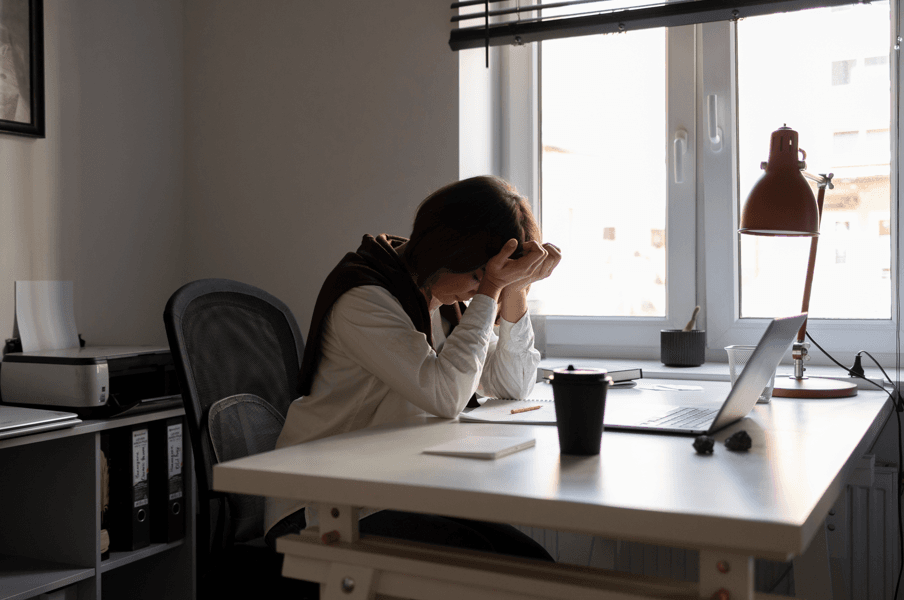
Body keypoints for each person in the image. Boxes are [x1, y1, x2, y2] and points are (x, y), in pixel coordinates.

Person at [265, 176, 562, 560]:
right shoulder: (366, 298)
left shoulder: (443, 299)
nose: (480, 289)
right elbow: (446, 396)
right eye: (478, 274)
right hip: (319, 505)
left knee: (532, 563)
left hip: (388, 489)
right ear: (448, 250)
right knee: (504, 572)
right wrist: (490, 290)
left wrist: (515, 289)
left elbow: (511, 384)